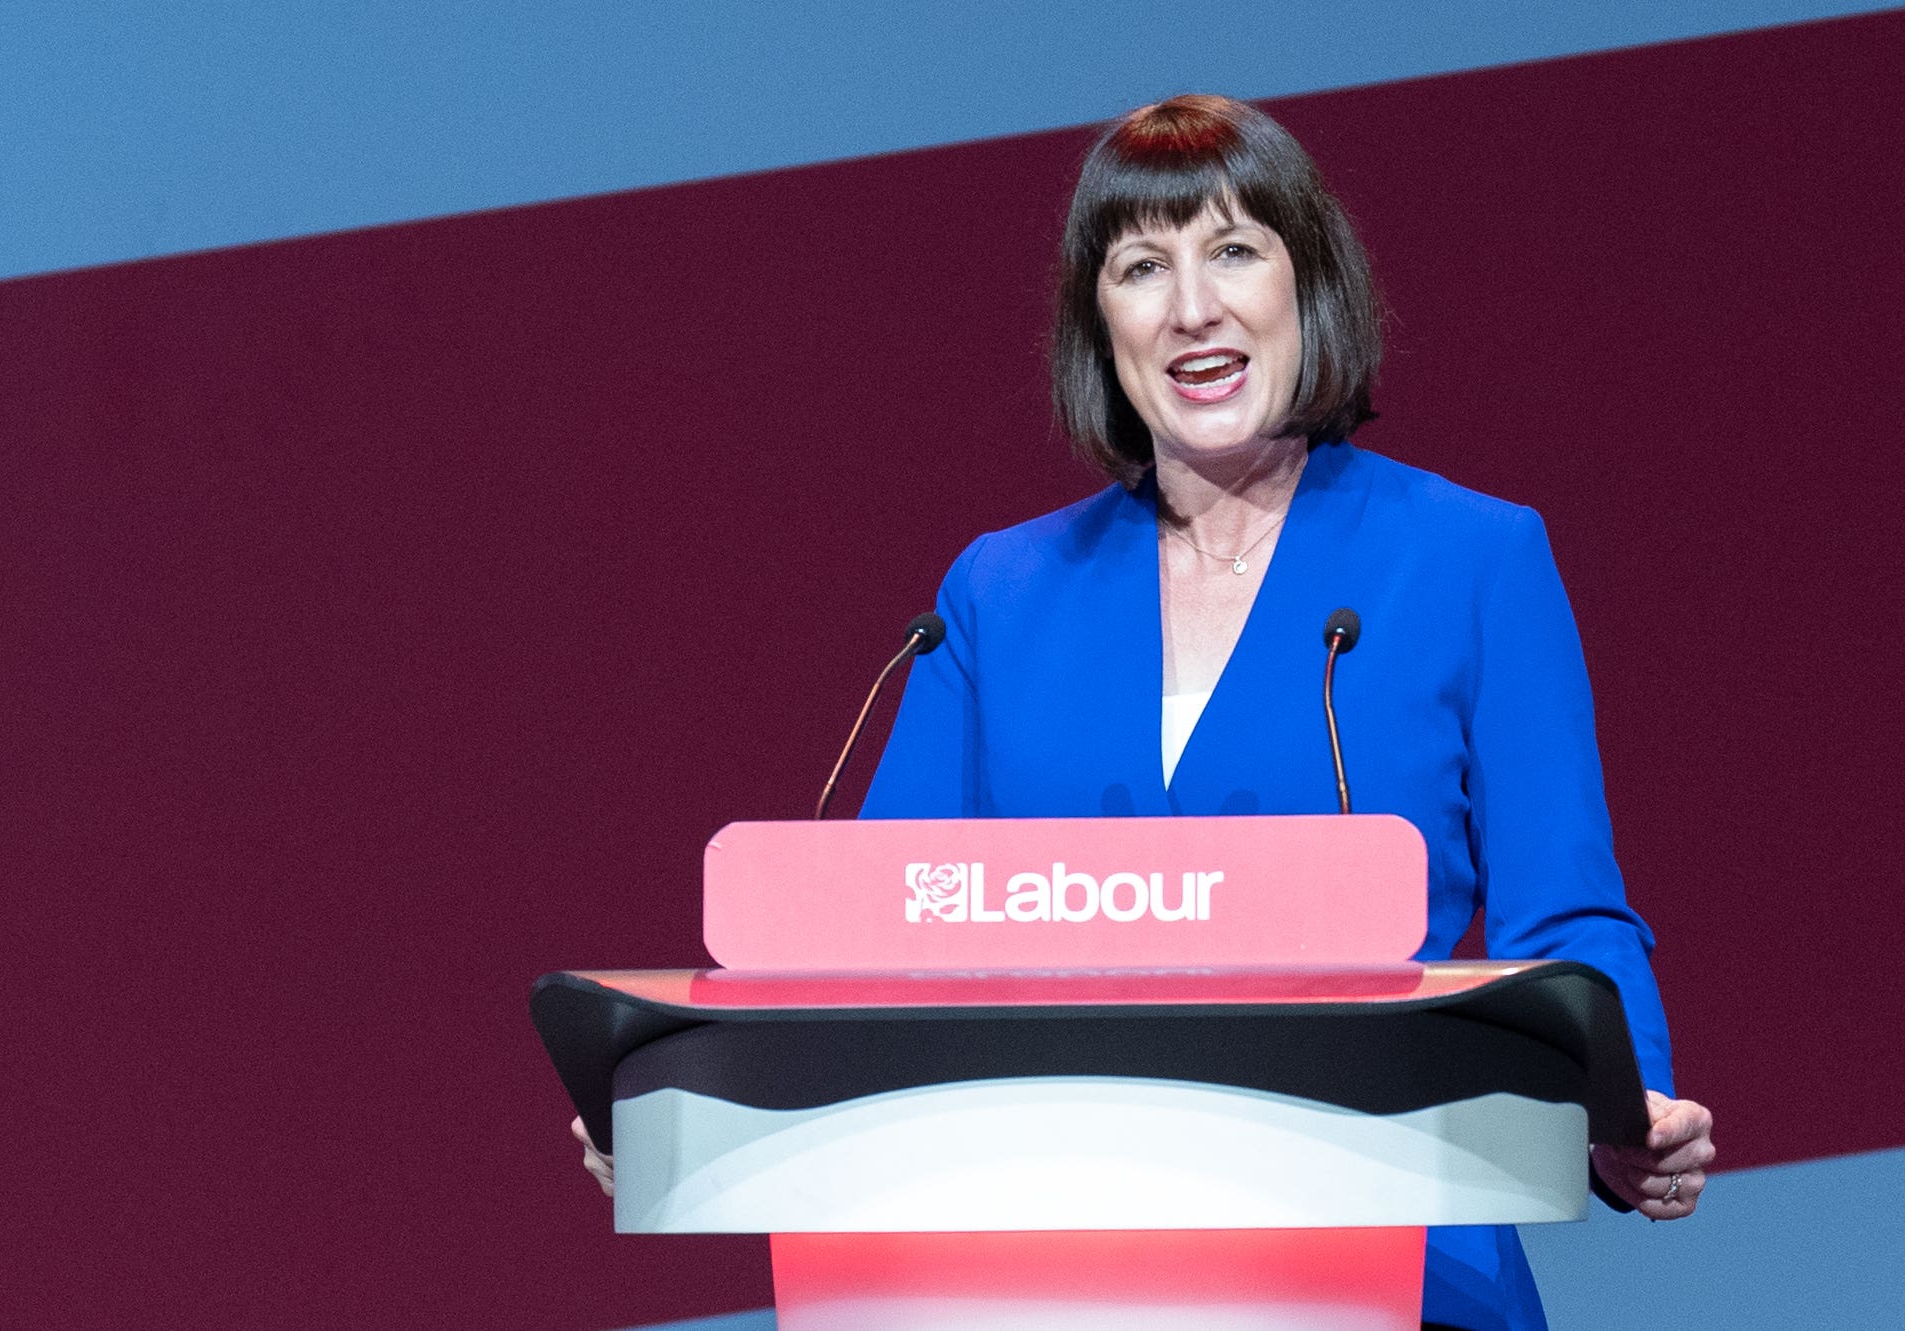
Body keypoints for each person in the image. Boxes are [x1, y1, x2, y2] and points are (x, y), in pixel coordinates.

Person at [578, 94, 1714, 1331]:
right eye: (1139, 267)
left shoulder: (1468, 557)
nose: (1191, 309)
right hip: (1044, 1270)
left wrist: (1626, 1106)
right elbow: (864, 948)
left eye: (1232, 250)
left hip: (1398, 1262)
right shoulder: (1003, 593)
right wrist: (692, 1091)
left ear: (1306, 282)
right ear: (1099, 323)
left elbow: (1569, 904)